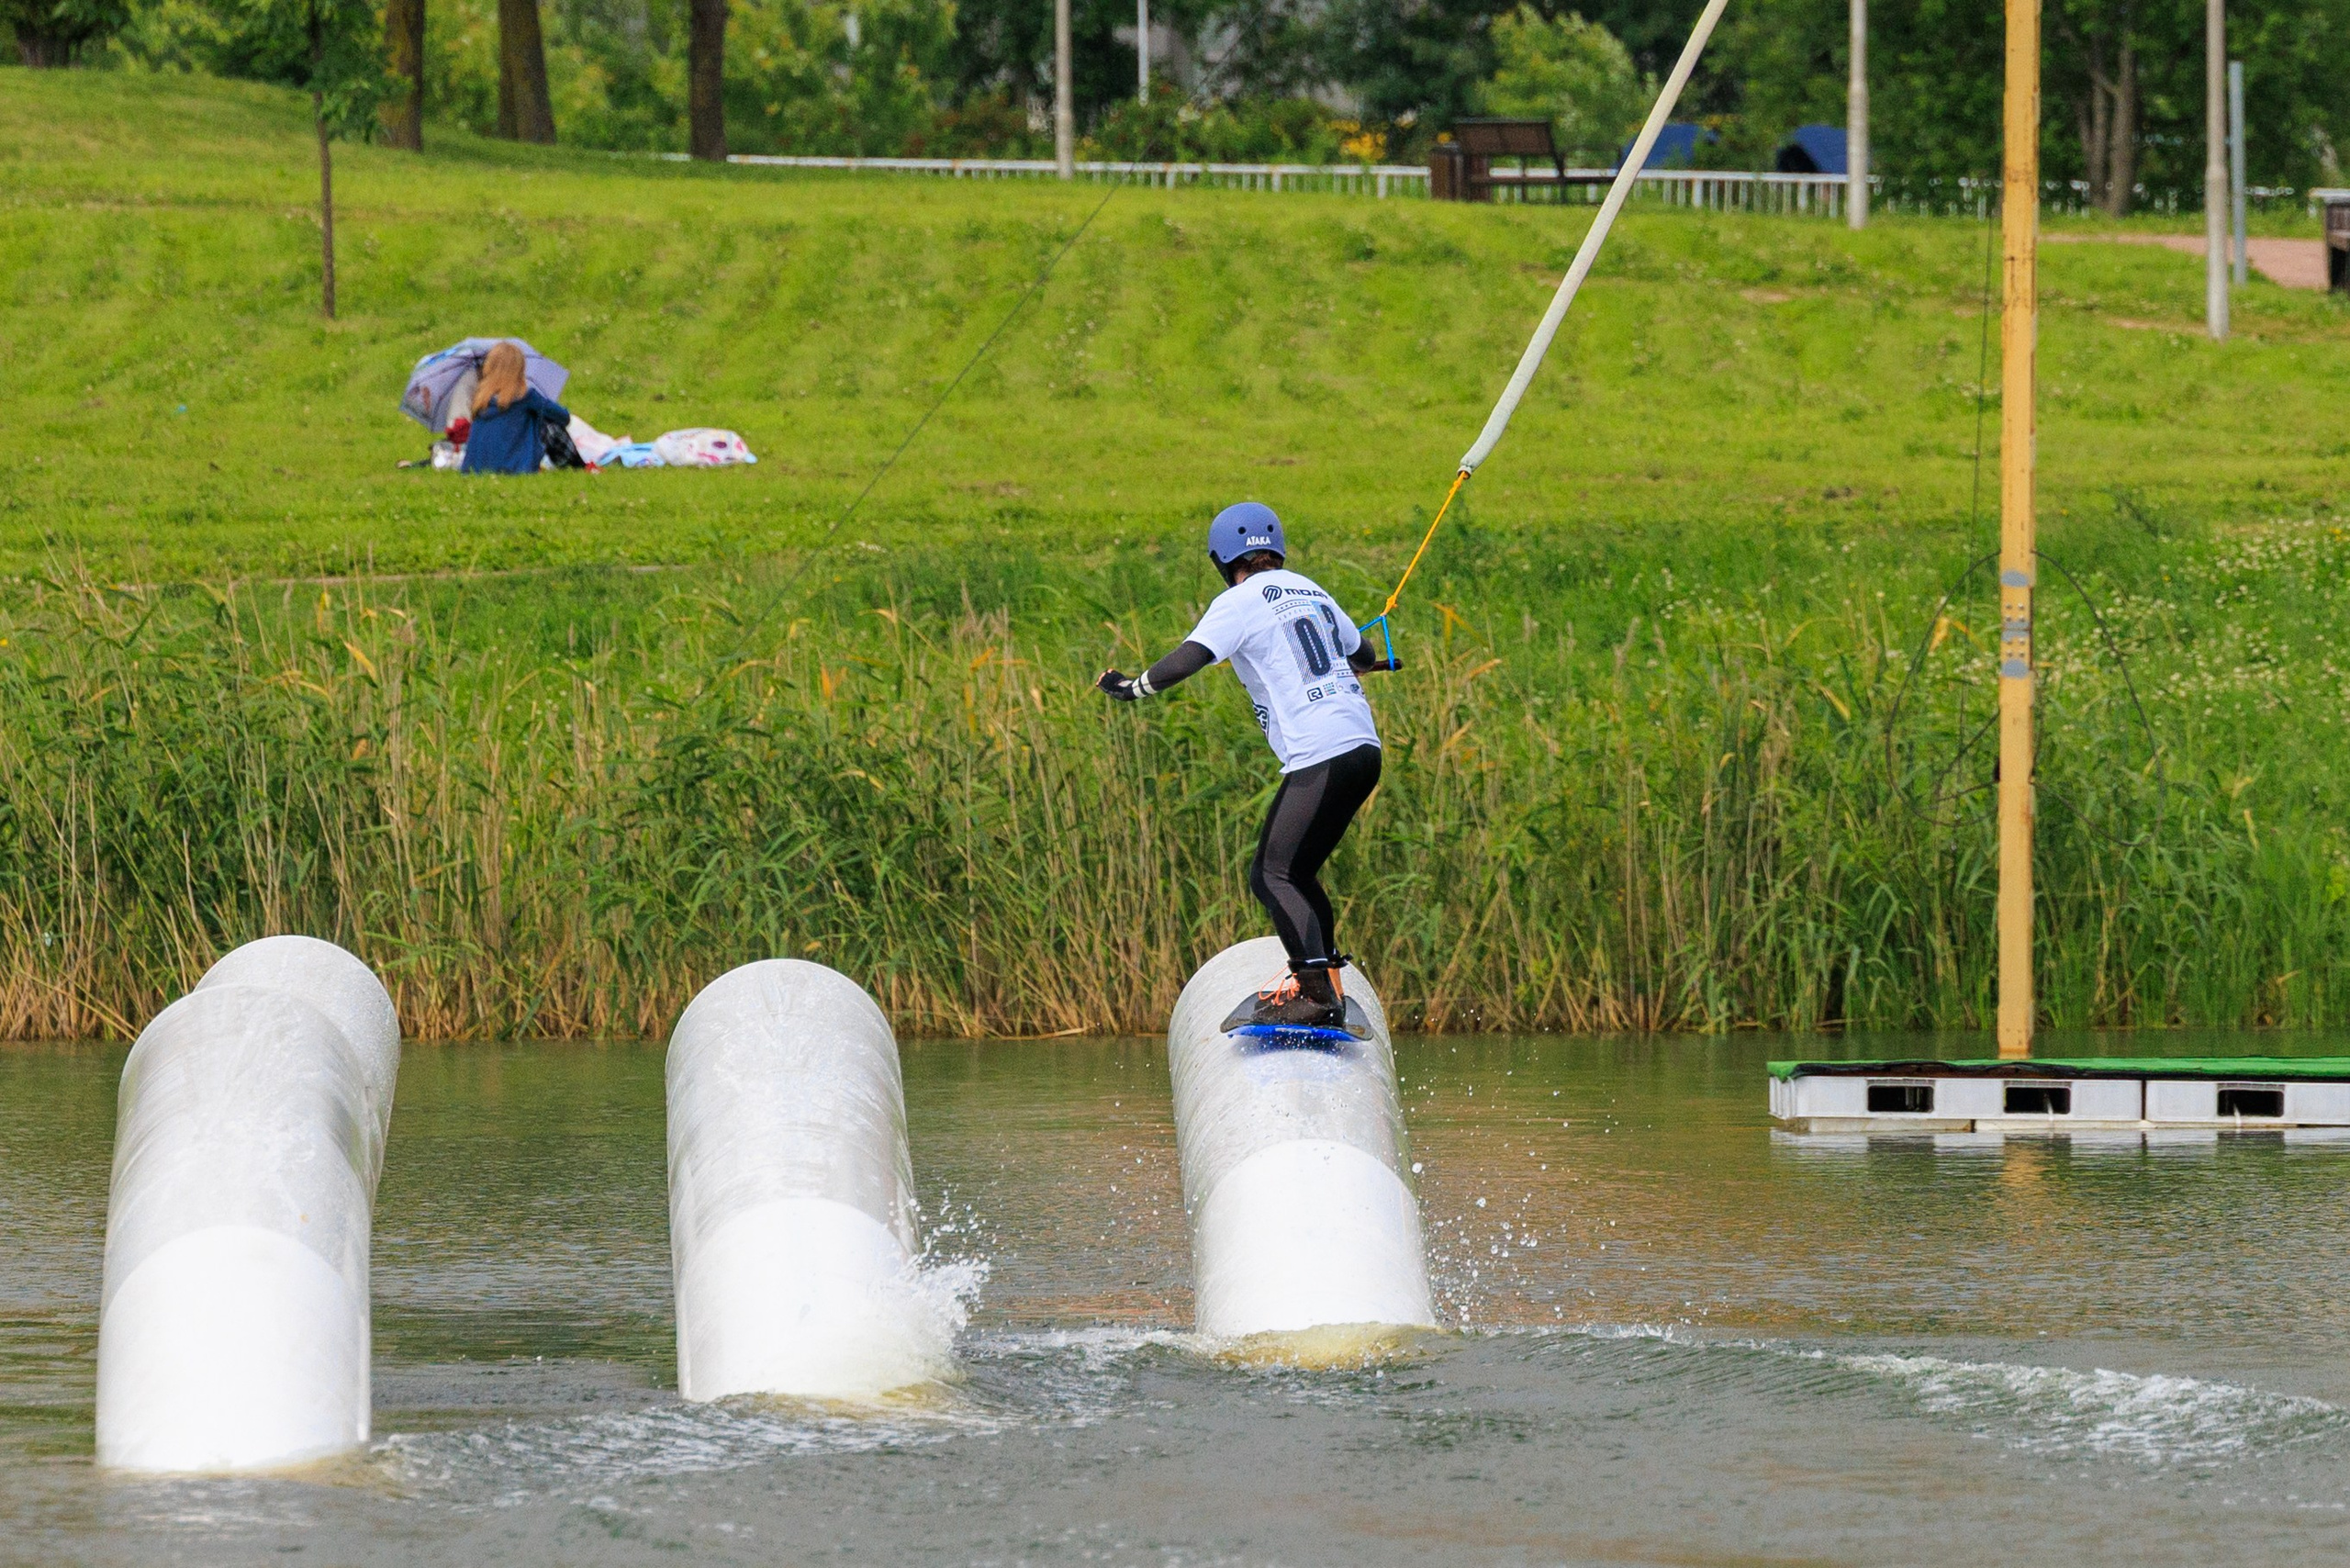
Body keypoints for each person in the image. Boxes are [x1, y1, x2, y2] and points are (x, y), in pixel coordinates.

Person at [1096, 502, 1397, 1029]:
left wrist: (1132, 686)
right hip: (1363, 751)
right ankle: (1327, 980)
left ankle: (1315, 993)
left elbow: (1191, 655)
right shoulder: (1314, 589)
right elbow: (1364, 653)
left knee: (1272, 874)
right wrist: (1369, 662)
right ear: (1276, 550)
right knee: (1297, 872)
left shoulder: (1238, 601)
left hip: (1320, 754)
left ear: (1222, 560)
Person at [460, 342, 569, 475]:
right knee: (550, 426)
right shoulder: (526, 397)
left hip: (476, 469)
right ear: (520, 369)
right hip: (515, 467)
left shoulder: (480, 400)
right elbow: (564, 417)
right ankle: (579, 463)